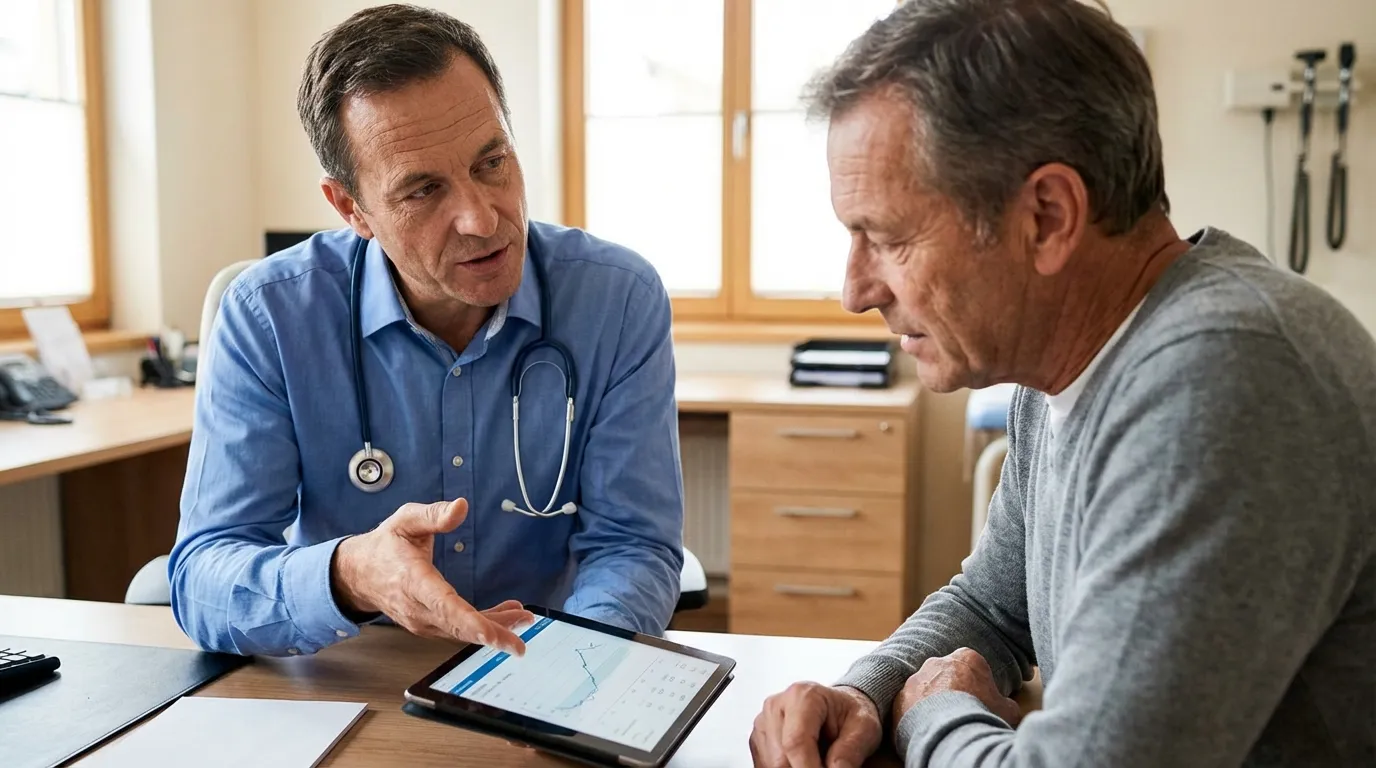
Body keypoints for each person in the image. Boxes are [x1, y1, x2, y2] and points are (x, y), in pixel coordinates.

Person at [749, 1, 1376, 766]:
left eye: (887, 238)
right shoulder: (1066, 372)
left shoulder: (1226, 380)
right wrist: (867, 692)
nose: (855, 290)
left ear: (1047, 216)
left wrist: (932, 712)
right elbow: (993, 604)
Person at [169, 4, 685, 658]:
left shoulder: (617, 300)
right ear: (352, 208)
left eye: (492, 162)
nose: (479, 217)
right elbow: (202, 573)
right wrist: (353, 574)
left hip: (549, 666)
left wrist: (568, 672)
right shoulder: (269, 316)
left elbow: (632, 547)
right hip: (351, 679)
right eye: (422, 191)